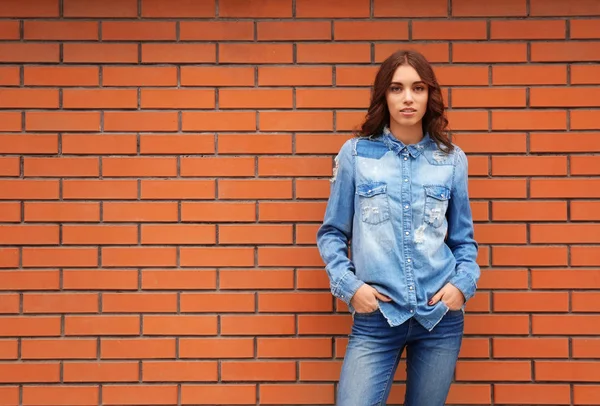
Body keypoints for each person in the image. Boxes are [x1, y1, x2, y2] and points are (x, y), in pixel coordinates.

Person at [316, 49, 480, 406]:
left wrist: (461, 287)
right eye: (397, 88)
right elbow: (331, 233)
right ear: (384, 96)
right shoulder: (355, 154)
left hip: (439, 318)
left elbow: (464, 241)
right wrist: (350, 287)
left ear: (429, 96)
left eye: (417, 88)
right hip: (377, 318)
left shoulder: (451, 160)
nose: (408, 98)